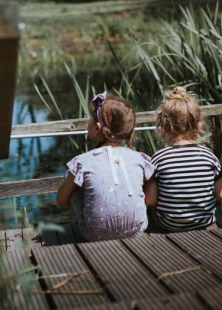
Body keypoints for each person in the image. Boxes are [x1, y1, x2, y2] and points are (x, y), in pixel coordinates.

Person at [57, 91, 157, 241]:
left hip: (94, 234)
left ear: (97, 127)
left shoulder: (83, 162)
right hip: (135, 231)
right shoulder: (140, 159)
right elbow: (151, 198)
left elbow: (62, 200)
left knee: (74, 184)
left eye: (89, 120)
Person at [150, 86, 222, 232]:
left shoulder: (158, 158)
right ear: (198, 127)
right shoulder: (209, 156)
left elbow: (151, 199)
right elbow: (220, 195)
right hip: (203, 221)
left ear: (164, 128)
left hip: (168, 224)